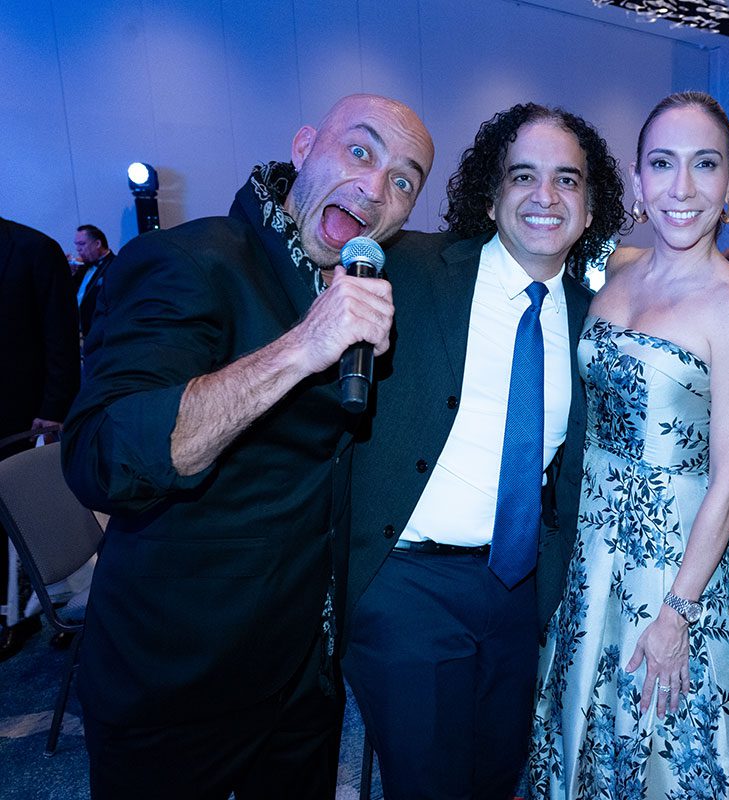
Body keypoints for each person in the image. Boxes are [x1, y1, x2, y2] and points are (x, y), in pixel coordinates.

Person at [61, 94, 434, 799]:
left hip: (303, 677)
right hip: (177, 686)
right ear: (303, 147)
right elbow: (101, 458)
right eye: (359, 151)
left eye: (403, 180)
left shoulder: (361, 286)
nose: (374, 187)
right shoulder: (187, 260)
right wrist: (300, 348)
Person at [342, 103, 627, 800]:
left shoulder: (596, 319)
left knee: (499, 777)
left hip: (518, 593)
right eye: (523, 176)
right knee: (430, 785)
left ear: (590, 210)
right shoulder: (411, 268)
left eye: (567, 180)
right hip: (406, 587)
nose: (545, 196)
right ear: (492, 197)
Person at [528, 92, 729, 799]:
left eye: (705, 165)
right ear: (637, 179)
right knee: (583, 729)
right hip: (590, 551)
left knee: (661, 745)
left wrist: (676, 614)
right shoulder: (615, 271)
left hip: (671, 568)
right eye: (663, 164)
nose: (682, 188)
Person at [0, 216, 80, 659]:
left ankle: (37, 607)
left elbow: (60, 336)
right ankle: (9, 609)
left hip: (26, 414)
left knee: (33, 514)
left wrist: (54, 409)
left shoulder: (34, 248)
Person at [73, 224, 116, 340]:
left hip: (101, 336)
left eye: (82, 244)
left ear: (97, 244)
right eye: (76, 245)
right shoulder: (81, 267)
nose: (78, 249)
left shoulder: (115, 266)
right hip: (80, 334)